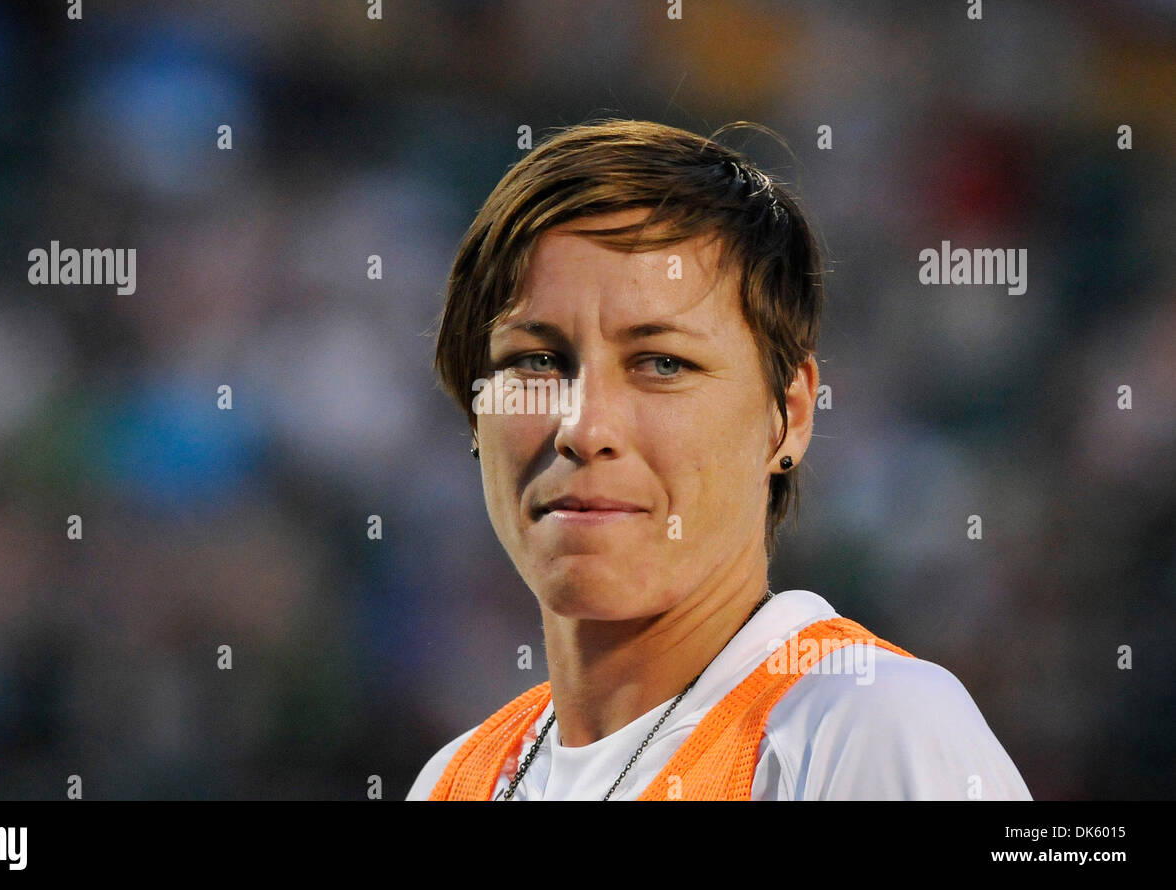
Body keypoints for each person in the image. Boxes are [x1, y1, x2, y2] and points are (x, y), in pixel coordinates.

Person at [408, 119, 1031, 800]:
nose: (584, 428)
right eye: (536, 361)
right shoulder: (454, 780)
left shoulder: (865, 728)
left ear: (788, 416)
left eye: (662, 362)